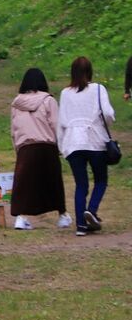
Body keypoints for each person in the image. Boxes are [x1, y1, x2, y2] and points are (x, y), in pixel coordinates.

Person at [58, 57, 116, 236]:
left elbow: (61, 121)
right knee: (101, 180)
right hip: (95, 141)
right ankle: (91, 210)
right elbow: (108, 113)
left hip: (73, 142)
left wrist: (61, 145)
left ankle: (81, 226)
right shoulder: (98, 89)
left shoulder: (65, 93)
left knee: (81, 184)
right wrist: (107, 122)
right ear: (90, 71)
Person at [10, 68, 69, 231]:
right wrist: (61, 146)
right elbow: (56, 124)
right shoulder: (48, 100)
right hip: (46, 146)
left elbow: (14, 129)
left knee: (24, 184)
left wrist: (18, 148)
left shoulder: (17, 103)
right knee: (53, 182)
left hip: (25, 147)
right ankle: (62, 216)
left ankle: (21, 218)